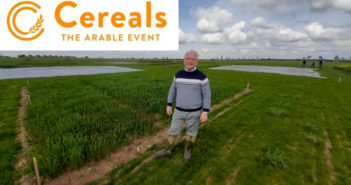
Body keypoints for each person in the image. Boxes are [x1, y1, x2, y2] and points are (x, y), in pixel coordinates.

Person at [154, 50, 211, 161]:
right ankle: (167, 150)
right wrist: (169, 104)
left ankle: (187, 149)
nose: (190, 61)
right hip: (179, 111)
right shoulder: (178, 75)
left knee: (192, 132)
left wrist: (205, 112)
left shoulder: (202, 77)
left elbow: (207, 95)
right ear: (184, 61)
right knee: (173, 131)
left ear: (197, 62)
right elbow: (172, 90)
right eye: (187, 58)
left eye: (193, 59)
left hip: (195, 112)